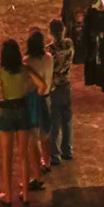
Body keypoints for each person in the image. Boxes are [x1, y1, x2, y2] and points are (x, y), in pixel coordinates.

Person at [0, 39, 46, 205]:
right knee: (23, 155)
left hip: (6, 111)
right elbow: (42, 85)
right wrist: (31, 97)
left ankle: (7, 194)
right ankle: (25, 194)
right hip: (22, 110)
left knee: (7, 157)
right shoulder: (25, 68)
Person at [24, 28, 54, 175]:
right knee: (45, 134)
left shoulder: (27, 61)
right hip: (47, 97)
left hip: (33, 100)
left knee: (33, 136)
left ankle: (36, 171)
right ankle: (46, 162)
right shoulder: (49, 57)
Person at [47, 19, 74, 164]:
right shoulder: (69, 44)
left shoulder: (49, 50)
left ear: (50, 32)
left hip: (54, 88)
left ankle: (55, 155)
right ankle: (67, 150)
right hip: (66, 85)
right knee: (67, 120)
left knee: (54, 123)